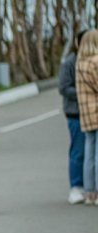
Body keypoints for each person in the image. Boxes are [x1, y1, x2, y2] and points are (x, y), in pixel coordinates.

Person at [61, 30, 89, 204]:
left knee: (92, 151)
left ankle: (90, 186)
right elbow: (64, 88)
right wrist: (85, 93)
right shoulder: (70, 63)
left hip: (92, 111)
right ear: (78, 43)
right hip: (75, 113)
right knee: (78, 150)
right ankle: (76, 187)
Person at [76, 29, 98, 205]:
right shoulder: (95, 62)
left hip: (85, 113)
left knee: (89, 153)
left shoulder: (80, 63)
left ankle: (89, 192)